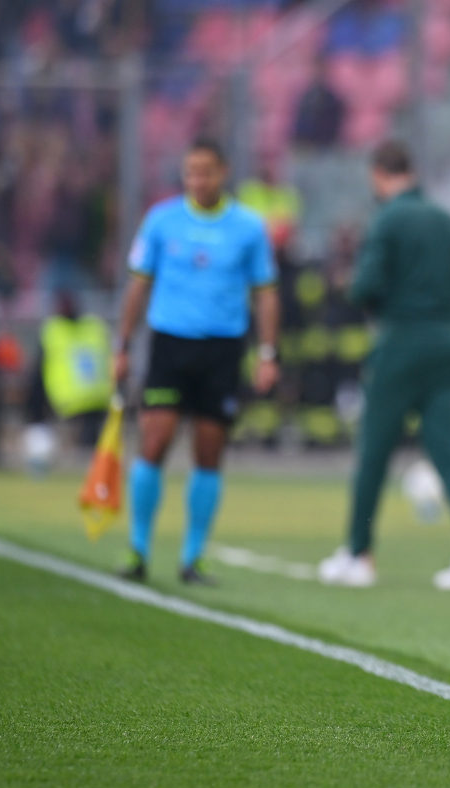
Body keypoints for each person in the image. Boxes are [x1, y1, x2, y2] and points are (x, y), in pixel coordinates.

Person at [316, 141, 450, 591]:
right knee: (446, 452)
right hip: (445, 341)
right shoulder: (447, 220)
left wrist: (352, 283)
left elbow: (364, 287)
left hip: (400, 339)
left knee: (375, 452)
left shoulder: (387, 219)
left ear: (379, 174)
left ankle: (358, 553)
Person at [113, 137, 280, 585]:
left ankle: (193, 558)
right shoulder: (161, 220)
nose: (197, 180)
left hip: (223, 349)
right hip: (170, 345)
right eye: (190, 172)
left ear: (223, 173)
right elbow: (138, 285)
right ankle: (138, 550)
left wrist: (268, 352)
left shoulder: (248, 227)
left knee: (209, 453)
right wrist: (123, 345)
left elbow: (265, 292)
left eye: (205, 172)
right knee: (155, 441)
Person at [24, 292, 113, 453]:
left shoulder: (52, 330)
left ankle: (39, 449)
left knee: (34, 394)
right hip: (101, 397)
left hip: (67, 399)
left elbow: (38, 369)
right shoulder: (96, 326)